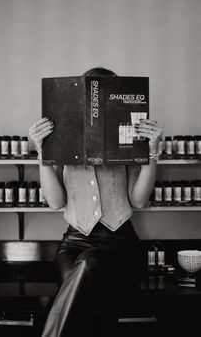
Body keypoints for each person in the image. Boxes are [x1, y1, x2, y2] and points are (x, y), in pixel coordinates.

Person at [29, 67, 164, 337]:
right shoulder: (63, 139)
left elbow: (138, 201)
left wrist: (151, 155)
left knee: (88, 271)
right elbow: (56, 203)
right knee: (88, 301)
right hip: (74, 243)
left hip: (121, 246)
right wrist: (43, 153)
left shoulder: (127, 138)